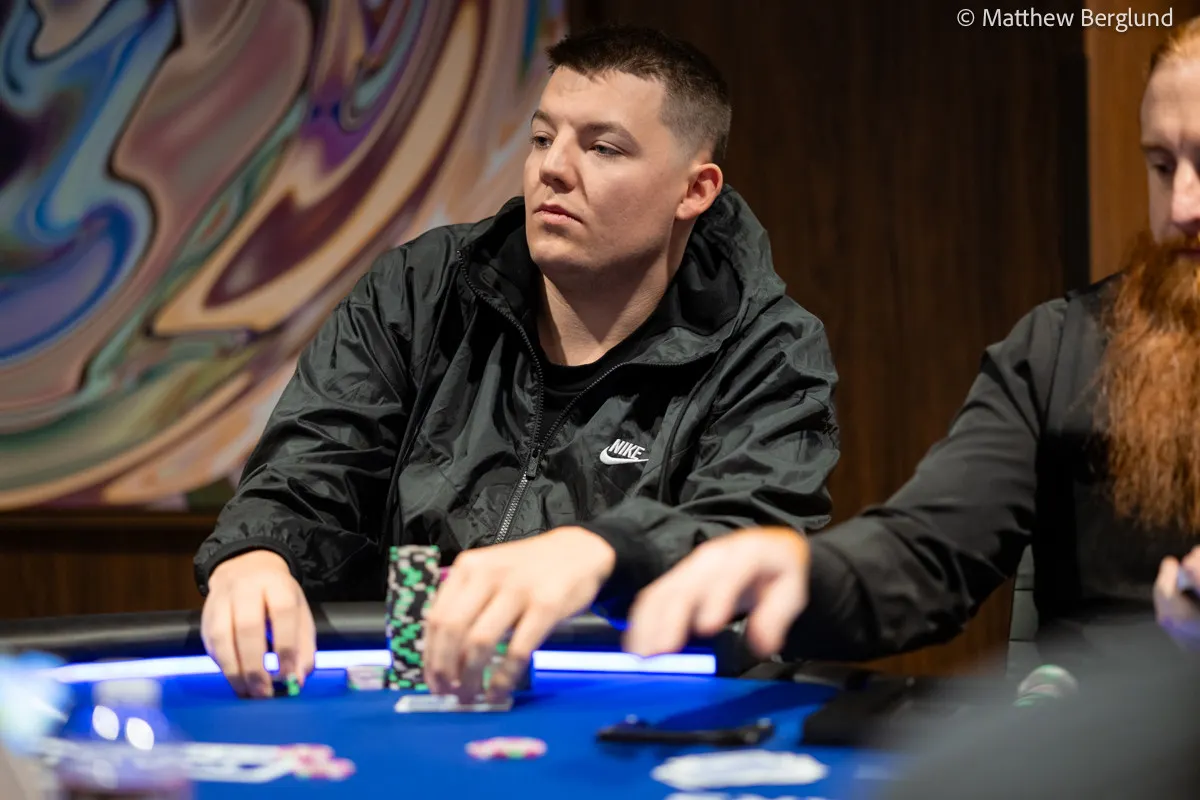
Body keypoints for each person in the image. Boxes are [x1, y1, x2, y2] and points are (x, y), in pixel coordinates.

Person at [193, 26, 840, 700]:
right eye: (541, 138)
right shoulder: (420, 290)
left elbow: (748, 539)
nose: (552, 168)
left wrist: (601, 553)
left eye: (603, 147)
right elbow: (307, 469)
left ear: (695, 190)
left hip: (631, 712)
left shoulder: (768, 347)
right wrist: (257, 553)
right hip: (404, 705)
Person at [623, 17, 1200, 669]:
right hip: (1106, 726)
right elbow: (926, 552)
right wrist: (799, 573)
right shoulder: (1060, 345)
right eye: (1161, 166)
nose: (1181, 206)